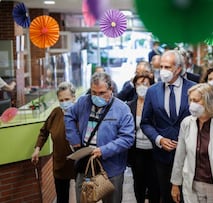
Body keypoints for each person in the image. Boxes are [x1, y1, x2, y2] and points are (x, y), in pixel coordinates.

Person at [64, 72, 135, 203]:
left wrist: (103, 150)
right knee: (83, 199)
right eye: (94, 92)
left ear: (111, 89)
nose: (97, 97)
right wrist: (74, 139)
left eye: (102, 93)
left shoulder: (122, 109)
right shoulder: (83, 102)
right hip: (86, 163)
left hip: (111, 168)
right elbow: (69, 115)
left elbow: (127, 138)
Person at [141, 50, 196, 203]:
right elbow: (145, 122)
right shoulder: (153, 91)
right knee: (166, 196)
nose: (163, 71)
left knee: (189, 197)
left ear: (178, 69)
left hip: (189, 155)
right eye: (161, 67)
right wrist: (159, 139)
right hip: (162, 156)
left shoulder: (194, 89)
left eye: (167, 67)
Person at [170, 83, 213, 203]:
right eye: (190, 100)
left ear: (209, 101)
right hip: (192, 184)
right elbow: (180, 155)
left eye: (196, 100)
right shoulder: (187, 123)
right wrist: (175, 184)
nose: (192, 104)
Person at [31, 81, 76, 203]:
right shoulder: (56, 113)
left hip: (79, 164)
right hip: (61, 163)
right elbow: (44, 131)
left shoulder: (80, 113)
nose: (64, 102)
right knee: (62, 198)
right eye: (61, 100)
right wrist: (37, 149)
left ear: (74, 98)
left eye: (67, 99)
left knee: (83, 196)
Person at [127, 73, 160, 203]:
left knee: (154, 182)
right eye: (139, 84)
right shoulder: (129, 106)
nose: (141, 87)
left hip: (154, 150)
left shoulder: (157, 105)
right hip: (137, 150)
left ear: (151, 86)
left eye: (145, 84)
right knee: (138, 181)